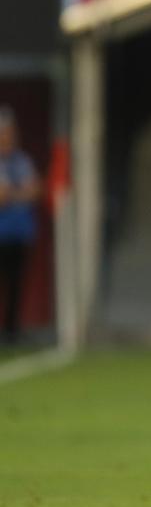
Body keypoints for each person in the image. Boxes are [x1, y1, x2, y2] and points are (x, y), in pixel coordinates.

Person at [0, 107, 40, 345]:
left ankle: (12, 333)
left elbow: (35, 190)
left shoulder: (22, 160)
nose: (7, 137)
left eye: (9, 132)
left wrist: (15, 193)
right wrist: (20, 192)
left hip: (20, 233)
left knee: (16, 285)